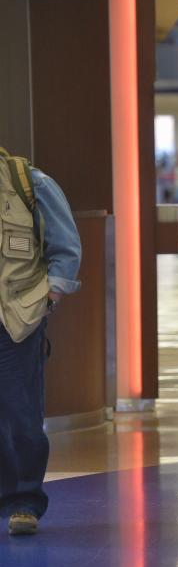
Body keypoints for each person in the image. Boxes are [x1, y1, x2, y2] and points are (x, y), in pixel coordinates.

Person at [0, 151, 82, 535]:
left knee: (21, 415)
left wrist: (49, 298)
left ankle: (25, 502)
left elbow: (65, 247)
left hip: (16, 320)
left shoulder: (30, 183)